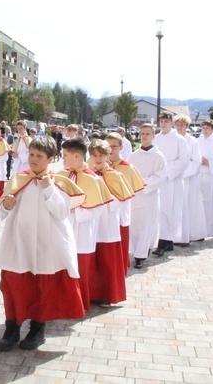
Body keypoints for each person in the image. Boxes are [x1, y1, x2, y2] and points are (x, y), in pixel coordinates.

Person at [0, 136, 86, 352]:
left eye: (39, 156)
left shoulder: (59, 182)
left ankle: (37, 329)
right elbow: (2, 211)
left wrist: (48, 188)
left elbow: (62, 211)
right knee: (14, 286)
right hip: (19, 241)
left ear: (51, 159)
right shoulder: (18, 179)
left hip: (47, 244)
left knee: (42, 288)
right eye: (31, 155)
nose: (33, 160)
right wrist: (6, 205)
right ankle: (12, 328)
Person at [58, 137, 114, 310]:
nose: (63, 157)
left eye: (65, 154)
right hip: (64, 226)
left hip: (83, 229)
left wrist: (77, 211)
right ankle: (65, 299)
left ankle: (79, 301)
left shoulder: (93, 179)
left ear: (76, 156)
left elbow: (98, 209)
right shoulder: (62, 174)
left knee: (81, 264)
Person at [86, 139, 128, 305]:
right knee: (92, 254)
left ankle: (108, 294)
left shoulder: (114, 175)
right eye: (94, 155)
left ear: (107, 155)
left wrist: (107, 201)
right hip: (92, 219)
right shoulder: (87, 175)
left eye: (101, 155)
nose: (98, 159)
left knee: (107, 256)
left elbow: (123, 198)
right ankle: (92, 293)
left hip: (108, 220)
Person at [128, 124, 167, 269]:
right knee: (135, 225)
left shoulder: (158, 156)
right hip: (135, 195)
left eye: (147, 134)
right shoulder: (133, 155)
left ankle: (141, 255)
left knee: (146, 225)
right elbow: (128, 173)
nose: (144, 136)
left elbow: (161, 176)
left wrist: (142, 183)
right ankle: (136, 250)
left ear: (153, 136)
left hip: (149, 195)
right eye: (142, 133)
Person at [106, 131, 145, 270]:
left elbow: (132, 192)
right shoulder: (97, 165)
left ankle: (120, 269)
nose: (111, 150)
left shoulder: (127, 167)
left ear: (121, 148)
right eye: (108, 146)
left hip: (120, 212)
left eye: (114, 147)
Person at [151, 113, 189, 257]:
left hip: (173, 180)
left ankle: (167, 240)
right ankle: (163, 240)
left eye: (166, 121)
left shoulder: (179, 139)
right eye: (162, 121)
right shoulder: (156, 139)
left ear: (171, 123)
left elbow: (184, 159)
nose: (164, 124)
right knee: (160, 211)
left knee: (171, 210)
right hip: (159, 180)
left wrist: (167, 170)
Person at [173, 116, 206, 245]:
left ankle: (191, 234)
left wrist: (183, 173)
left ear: (187, 126)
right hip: (174, 178)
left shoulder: (192, 141)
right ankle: (176, 235)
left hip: (188, 178)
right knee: (176, 207)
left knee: (190, 207)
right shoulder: (172, 140)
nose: (179, 127)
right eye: (177, 125)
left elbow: (196, 160)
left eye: (182, 125)